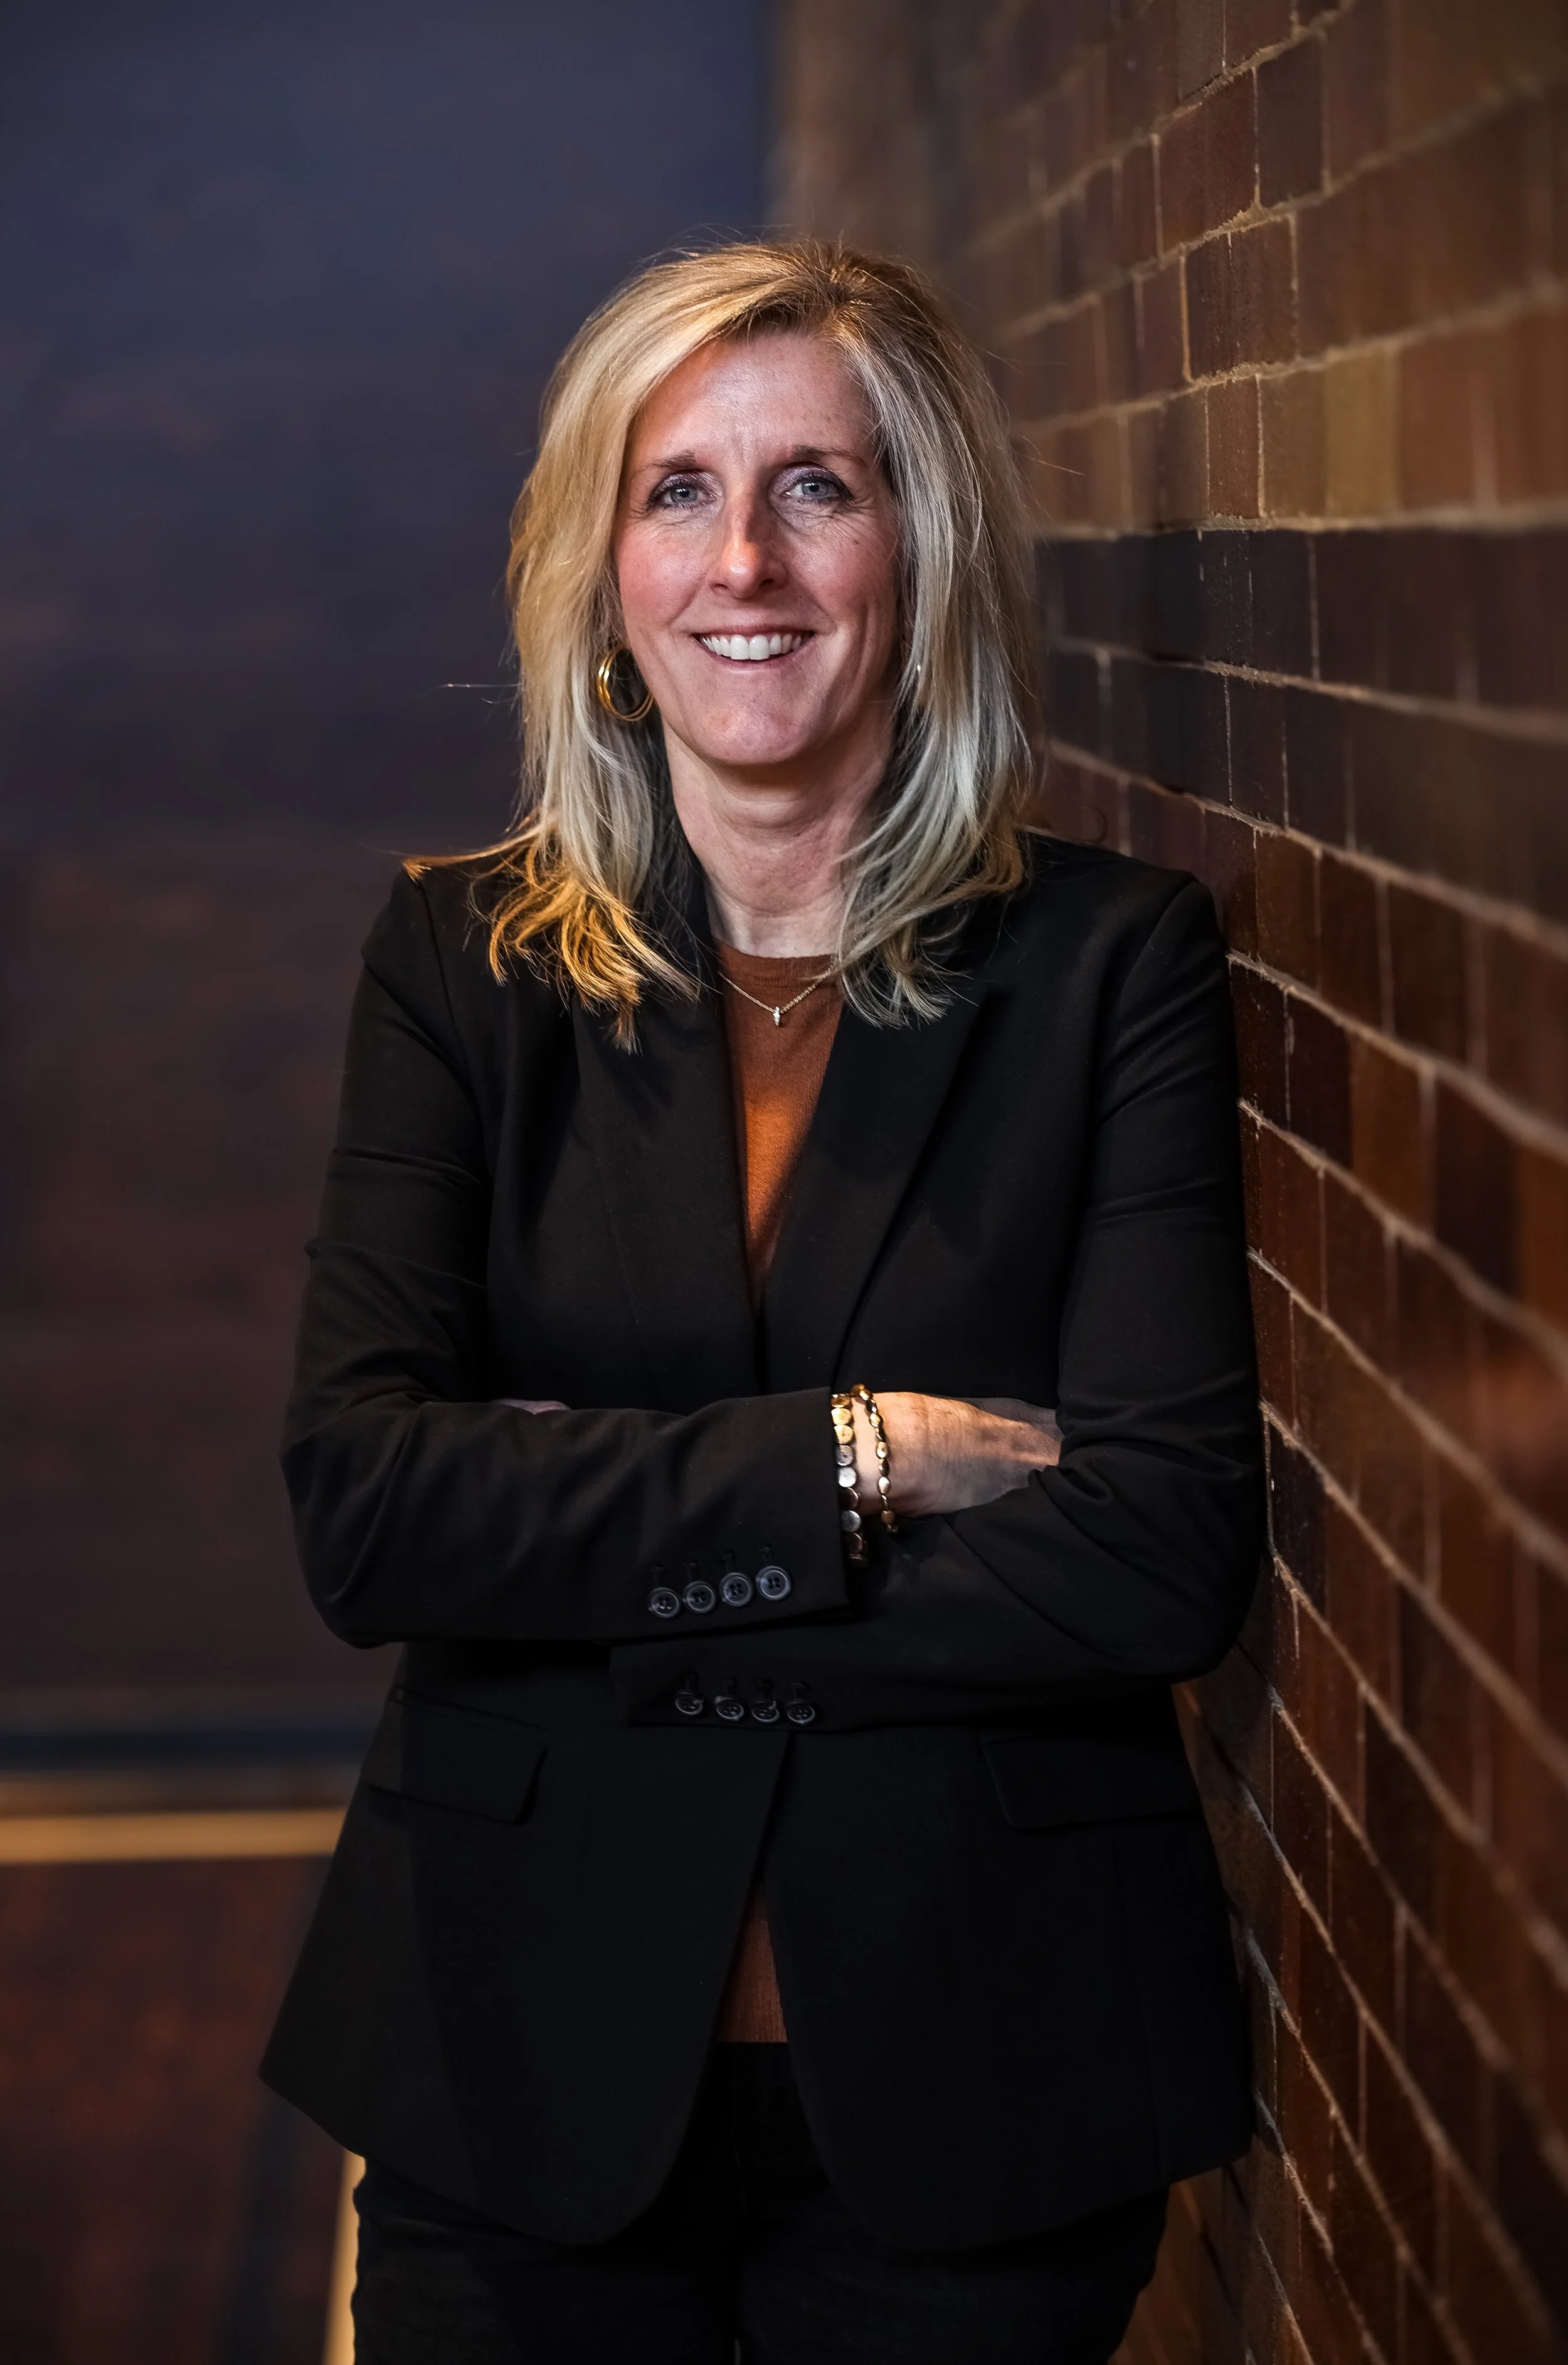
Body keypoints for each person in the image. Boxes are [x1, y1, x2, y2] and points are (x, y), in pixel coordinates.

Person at [262, 240, 1263, 2364]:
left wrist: (591, 1538)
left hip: (981, 2053)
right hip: (511, 2034)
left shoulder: (1110, 967)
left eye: (818, 485)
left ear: (922, 545)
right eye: (677, 491)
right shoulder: (462, 971)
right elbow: (369, 1508)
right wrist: (858, 1461)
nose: (749, 562)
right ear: (603, 571)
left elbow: (1159, 1555)